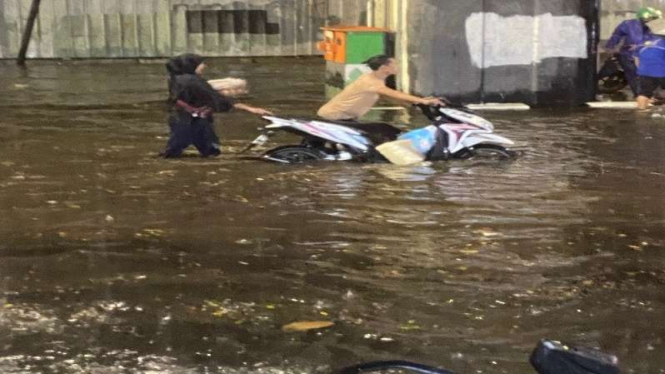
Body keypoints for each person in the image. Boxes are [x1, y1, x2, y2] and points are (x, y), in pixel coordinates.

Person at [161, 54, 272, 158]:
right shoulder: (192, 81)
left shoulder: (176, 78)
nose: (204, 66)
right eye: (201, 64)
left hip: (182, 119)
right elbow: (217, 100)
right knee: (210, 152)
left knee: (174, 152)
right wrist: (251, 109)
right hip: (194, 122)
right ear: (191, 65)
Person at [317, 55, 446, 122]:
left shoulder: (376, 79)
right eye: (395, 64)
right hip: (336, 116)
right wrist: (424, 101)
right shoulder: (372, 82)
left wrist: (415, 103)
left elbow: (388, 97)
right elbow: (394, 93)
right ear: (385, 68)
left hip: (344, 116)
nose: (398, 66)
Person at [605, 7, 662, 96]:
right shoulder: (628, 24)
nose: (650, 20)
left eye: (653, 18)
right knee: (634, 76)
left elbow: (657, 40)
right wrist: (610, 46)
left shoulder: (656, 27)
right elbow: (616, 35)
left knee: (647, 76)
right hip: (629, 55)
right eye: (649, 18)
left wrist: (640, 46)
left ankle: (646, 96)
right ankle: (640, 96)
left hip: (647, 56)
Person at [635, 20, 665, 109]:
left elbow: (636, 60)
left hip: (644, 72)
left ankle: (641, 113)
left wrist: (642, 70)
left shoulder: (642, 43)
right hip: (662, 72)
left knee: (643, 93)